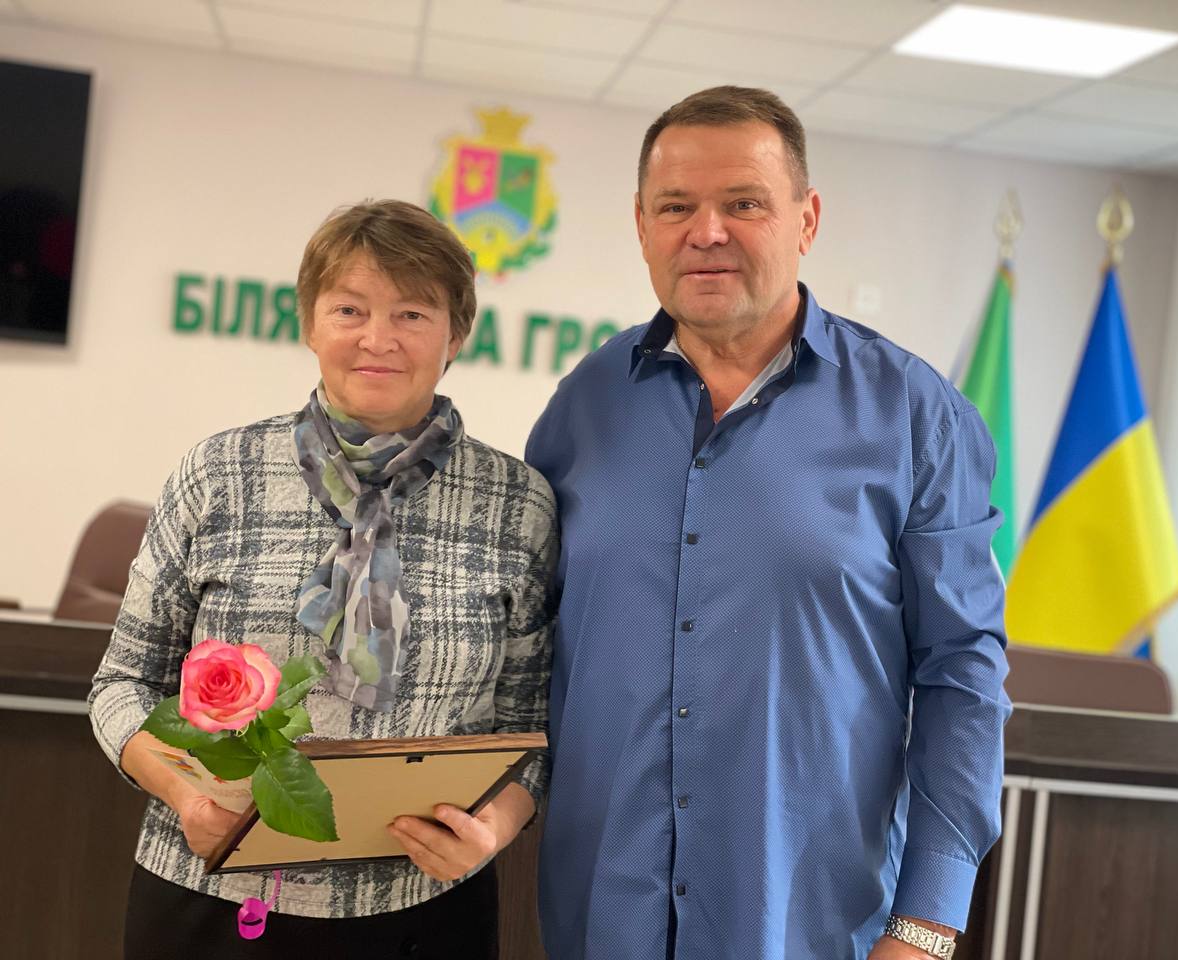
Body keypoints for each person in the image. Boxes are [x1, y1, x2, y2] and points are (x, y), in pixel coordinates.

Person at [526, 87, 1011, 960]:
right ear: (641, 224)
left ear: (806, 218)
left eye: (744, 203)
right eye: (676, 206)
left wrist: (928, 924)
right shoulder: (584, 405)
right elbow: (527, 644)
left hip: (808, 923)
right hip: (598, 917)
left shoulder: (915, 415)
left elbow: (962, 675)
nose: (706, 232)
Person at [89, 200, 556, 959]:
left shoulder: (518, 505)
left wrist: (491, 831)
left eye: (412, 313)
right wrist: (183, 794)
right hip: (213, 896)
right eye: (349, 309)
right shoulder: (219, 474)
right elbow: (121, 685)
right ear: (310, 322)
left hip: (423, 906)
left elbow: (529, 727)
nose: (378, 338)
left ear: (456, 334)